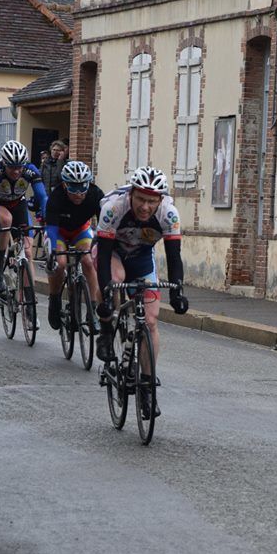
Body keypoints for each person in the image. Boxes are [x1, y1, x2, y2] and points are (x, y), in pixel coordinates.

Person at [94, 166, 189, 417]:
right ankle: (106, 330)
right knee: (116, 279)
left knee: (150, 320)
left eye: (151, 201)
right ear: (131, 194)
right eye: (140, 199)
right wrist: (105, 295)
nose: (145, 207)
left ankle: (147, 387)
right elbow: (102, 256)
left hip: (142, 258)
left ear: (160, 200)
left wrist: (178, 290)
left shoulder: (169, 214)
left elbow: (174, 257)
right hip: (112, 253)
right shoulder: (114, 207)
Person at [43, 160, 104, 330]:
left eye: (82, 187)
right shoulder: (56, 197)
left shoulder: (96, 194)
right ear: (64, 185)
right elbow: (52, 231)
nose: (78, 194)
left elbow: (103, 226)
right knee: (60, 264)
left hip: (80, 230)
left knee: (88, 261)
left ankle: (92, 311)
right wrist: (53, 253)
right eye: (73, 188)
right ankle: (54, 300)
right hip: (59, 232)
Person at [0, 140, 48, 294]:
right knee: (6, 220)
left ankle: (29, 297)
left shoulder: (30, 170)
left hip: (19, 205)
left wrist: (46, 217)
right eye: (12, 167)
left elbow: (43, 197)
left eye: (19, 167)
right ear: (4, 163)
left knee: (28, 252)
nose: (17, 171)